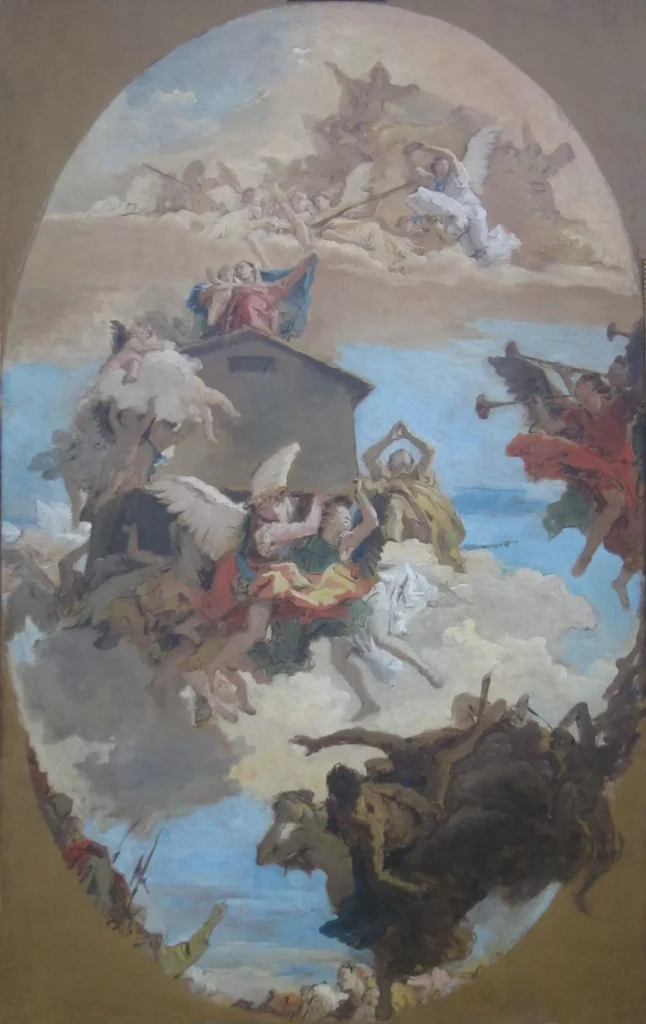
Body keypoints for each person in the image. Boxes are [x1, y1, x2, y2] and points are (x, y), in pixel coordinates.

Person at [506, 373, 643, 606]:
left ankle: (616, 577)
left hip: (622, 468)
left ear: (592, 387)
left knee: (633, 526)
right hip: (596, 463)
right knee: (615, 502)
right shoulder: (579, 414)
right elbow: (552, 428)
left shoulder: (616, 407)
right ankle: (586, 557)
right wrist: (539, 408)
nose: (576, 389)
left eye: (580, 384)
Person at [363, 421, 466, 571]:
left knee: (396, 505)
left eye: (405, 464)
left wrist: (410, 436)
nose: (402, 456)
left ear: (410, 465)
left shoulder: (416, 475)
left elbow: (429, 452)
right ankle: (393, 545)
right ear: (389, 465)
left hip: (418, 515)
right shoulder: (386, 476)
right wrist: (389, 439)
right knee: (395, 505)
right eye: (398, 461)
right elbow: (368, 457)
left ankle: (395, 547)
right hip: (396, 511)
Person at [404, 143, 519, 266]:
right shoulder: (436, 184)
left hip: (473, 213)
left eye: (444, 164)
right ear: (434, 168)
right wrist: (407, 156)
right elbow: (416, 174)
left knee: (480, 244)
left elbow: (450, 155)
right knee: (464, 246)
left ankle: (491, 257)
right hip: (457, 217)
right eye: (438, 165)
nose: (442, 167)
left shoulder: (457, 176)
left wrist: (423, 147)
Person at [189, 252, 318, 340]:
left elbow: (287, 282)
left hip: (261, 327)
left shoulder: (267, 289)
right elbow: (208, 296)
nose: (239, 270)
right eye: (237, 269)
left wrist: (303, 267)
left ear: (252, 269)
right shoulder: (233, 290)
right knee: (224, 295)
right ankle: (210, 328)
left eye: (241, 267)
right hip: (238, 329)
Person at [99, 320, 174, 384]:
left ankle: (131, 376)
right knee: (106, 376)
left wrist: (158, 346)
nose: (140, 335)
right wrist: (155, 347)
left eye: (143, 333)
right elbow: (141, 348)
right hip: (118, 361)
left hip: (127, 362)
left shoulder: (142, 343)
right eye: (139, 333)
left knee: (135, 360)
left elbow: (145, 347)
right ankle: (100, 386)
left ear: (147, 335)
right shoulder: (133, 341)